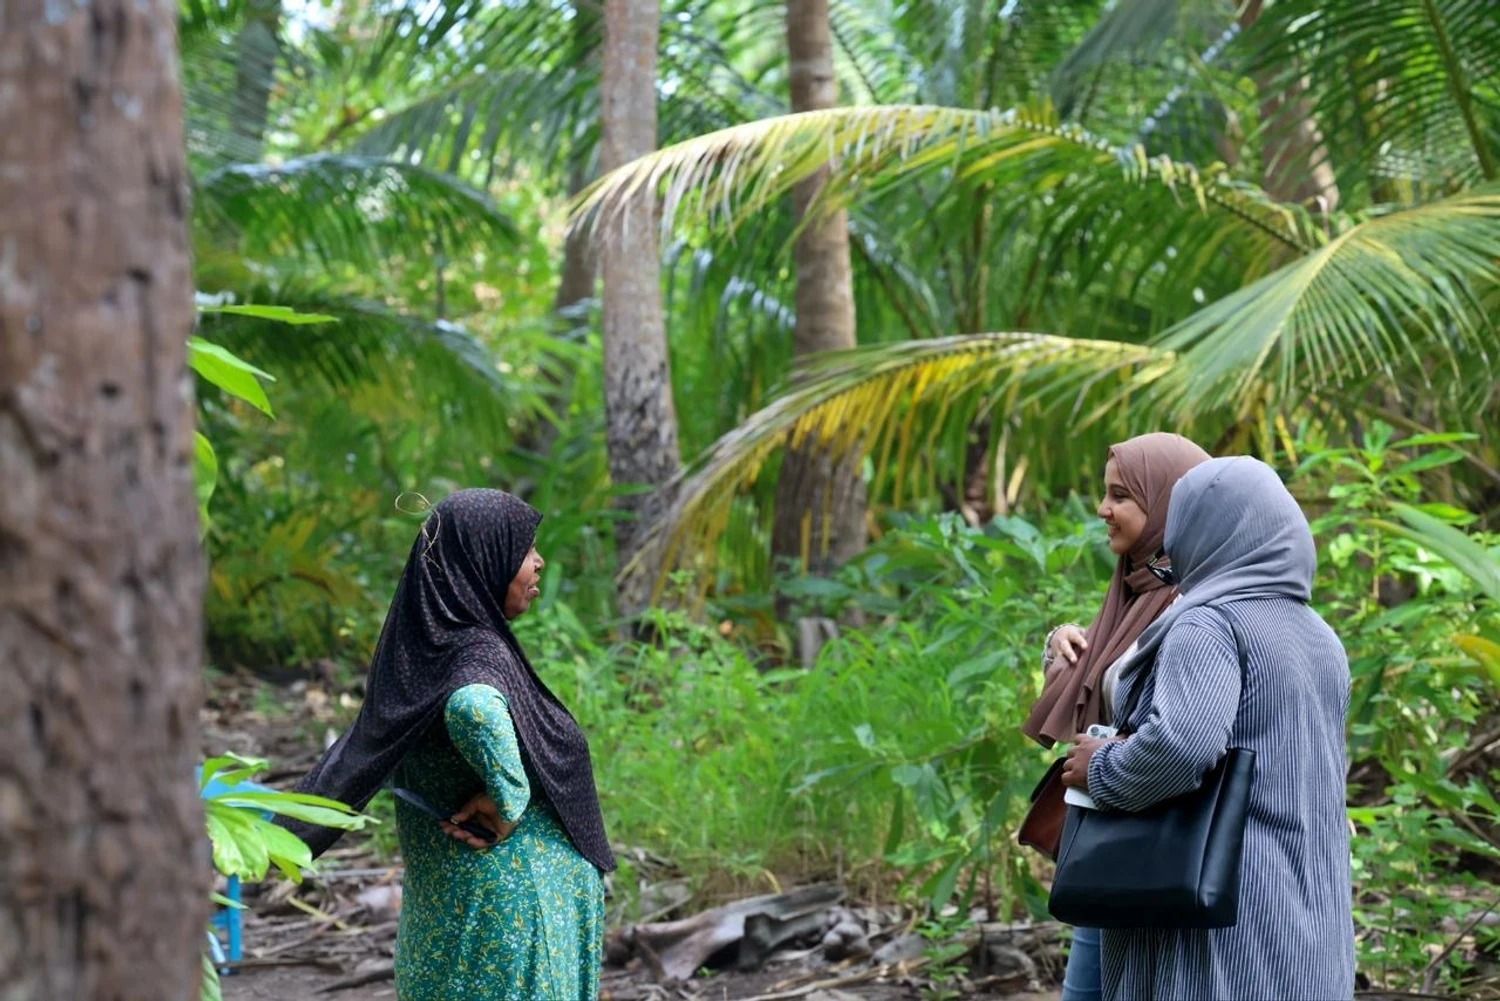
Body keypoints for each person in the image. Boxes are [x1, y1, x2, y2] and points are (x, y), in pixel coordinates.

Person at [279, 489, 614, 1000]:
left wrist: (509, 801)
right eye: (525, 550)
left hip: (502, 906)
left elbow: (463, 710)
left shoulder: (436, 647)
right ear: (482, 561)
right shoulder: (464, 650)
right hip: (496, 909)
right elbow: (473, 708)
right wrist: (510, 797)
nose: (539, 562)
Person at [1060, 457, 1356, 1000]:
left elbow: (1181, 747)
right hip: (1307, 902)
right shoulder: (1320, 636)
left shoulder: (1208, 622)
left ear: (1206, 531)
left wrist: (1099, 767)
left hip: (1223, 910)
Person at [1021, 432, 1211, 1001]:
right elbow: (1107, 686)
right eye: (1105, 495)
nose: (1103, 509)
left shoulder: (1196, 605)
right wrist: (1059, 641)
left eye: (1123, 497)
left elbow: (1179, 731)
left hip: (1158, 842)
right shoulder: (1132, 590)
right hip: (1109, 834)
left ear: (1171, 503)